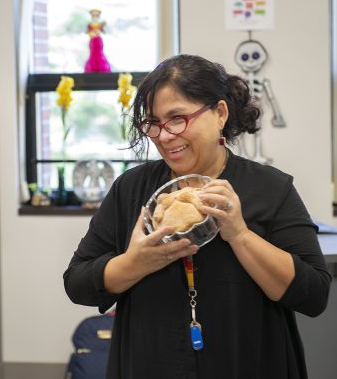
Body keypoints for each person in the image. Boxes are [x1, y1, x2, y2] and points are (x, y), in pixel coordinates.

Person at [63, 54, 331, 378]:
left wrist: (241, 235)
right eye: (153, 123)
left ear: (219, 113)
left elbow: (314, 294)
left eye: (177, 118)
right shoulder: (132, 190)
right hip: (151, 363)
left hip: (249, 362)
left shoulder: (270, 188)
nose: (164, 135)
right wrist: (136, 263)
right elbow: (78, 283)